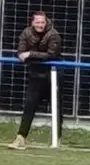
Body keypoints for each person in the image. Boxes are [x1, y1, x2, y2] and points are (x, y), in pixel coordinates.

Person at [8, 11, 63, 151]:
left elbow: (51, 55)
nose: (40, 25)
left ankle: (57, 139)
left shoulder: (54, 34)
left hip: (53, 74)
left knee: (56, 107)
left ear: (46, 22)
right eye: (37, 22)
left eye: (42, 22)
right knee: (29, 106)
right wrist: (26, 55)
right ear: (32, 22)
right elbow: (20, 53)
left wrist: (30, 54)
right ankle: (20, 138)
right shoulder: (26, 33)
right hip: (35, 74)